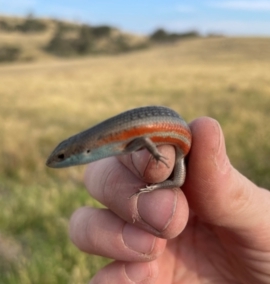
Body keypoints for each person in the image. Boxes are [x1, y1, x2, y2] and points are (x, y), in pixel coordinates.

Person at [69, 117, 270, 284]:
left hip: (180, 144)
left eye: (62, 157)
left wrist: (155, 153)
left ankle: (155, 185)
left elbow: (145, 140)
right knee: (171, 179)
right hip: (177, 150)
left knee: (174, 178)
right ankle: (155, 186)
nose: (58, 162)